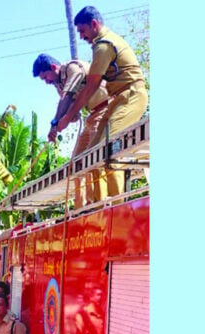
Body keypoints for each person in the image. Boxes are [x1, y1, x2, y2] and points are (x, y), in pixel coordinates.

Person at [57, 5, 149, 205]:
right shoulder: (100, 44)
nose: (81, 36)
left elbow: (90, 87)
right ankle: (98, 204)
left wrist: (65, 118)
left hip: (131, 95)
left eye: (82, 31)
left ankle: (118, 205)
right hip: (116, 100)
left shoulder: (104, 45)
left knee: (108, 150)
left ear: (94, 24)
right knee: (92, 154)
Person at [32, 53, 111, 207]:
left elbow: (66, 98)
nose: (46, 82)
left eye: (45, 77)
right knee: (76, 163)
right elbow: (69, 110)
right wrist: (64, 121)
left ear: (53, 68)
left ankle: (97, 202)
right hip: (91, 117)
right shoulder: (59, 85)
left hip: (105, 110)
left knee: (92, 157)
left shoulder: (72, 69)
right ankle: (80, 207)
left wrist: (56, 123)